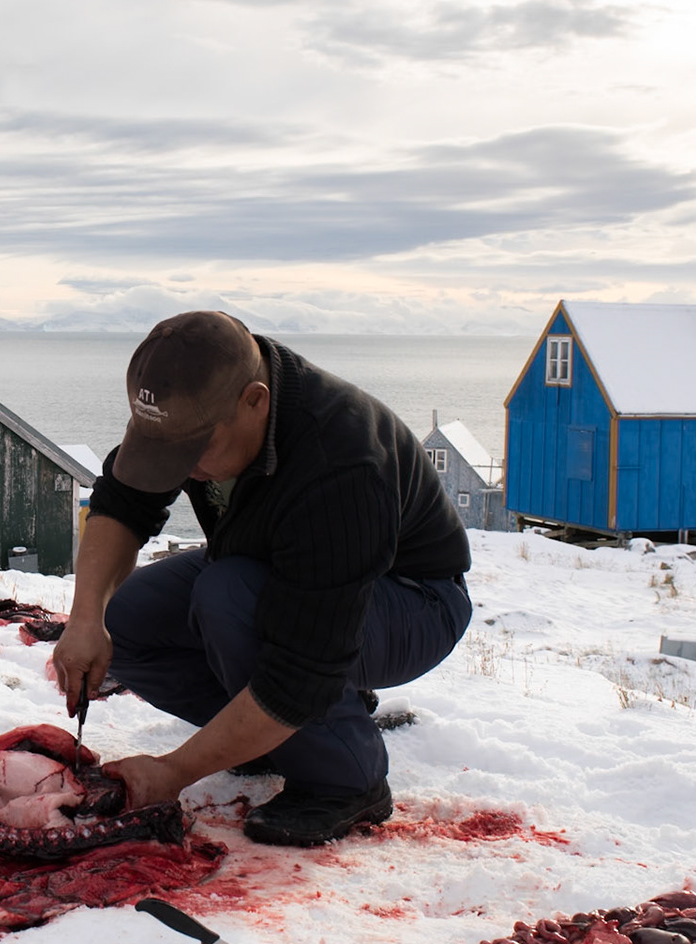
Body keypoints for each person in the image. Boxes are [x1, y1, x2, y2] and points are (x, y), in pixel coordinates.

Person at [51, 312, 473, 847]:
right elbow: (125, 501)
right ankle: (275, 740)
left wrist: (176, 771)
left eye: (194, 450)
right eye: (167, 448)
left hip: (411, 600)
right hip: (272, 567)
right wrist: (87, 616)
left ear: (256, 401)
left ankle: (347, 777)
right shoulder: (197, 400)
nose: (184, 467)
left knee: (228, 598)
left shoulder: (341, 462)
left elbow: (303, 667)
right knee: (129, 618)